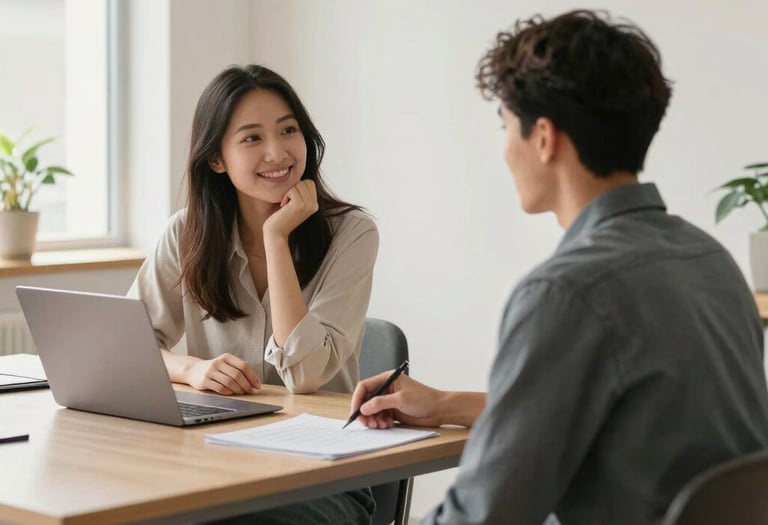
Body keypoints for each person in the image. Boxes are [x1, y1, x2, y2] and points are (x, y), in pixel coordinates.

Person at [350, 10, 768, 525]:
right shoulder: (711, 261)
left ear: (544, 138)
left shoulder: (565, 293)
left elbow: (484, 516)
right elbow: (624, 423)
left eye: (506, 127)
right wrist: (446, 404)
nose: (505, 150)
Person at [129, 65, 376, 524]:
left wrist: (276, 238)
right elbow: (124, 346)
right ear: (216, 159)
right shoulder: (186, 232)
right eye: (252, 138)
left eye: (288, 130)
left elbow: (304, 375)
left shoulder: (352, 234)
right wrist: (192, 369)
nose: (277, 152)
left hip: (323, 473)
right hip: (217, 462)